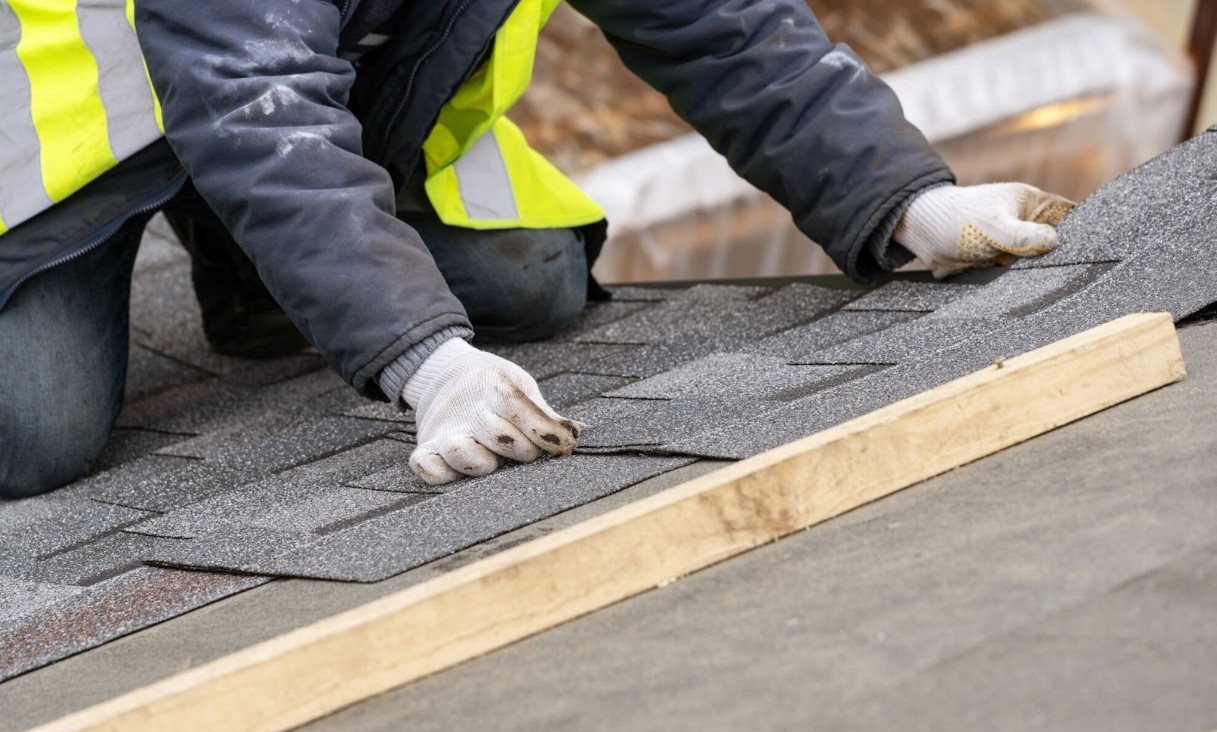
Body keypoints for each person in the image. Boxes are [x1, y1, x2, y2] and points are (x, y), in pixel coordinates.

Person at [0, 0, 1072, 498]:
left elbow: (721, 26)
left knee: (527, 283)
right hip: (75, 148)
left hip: (275, 102)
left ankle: (248, 263)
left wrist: (900, 199)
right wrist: (426, 363)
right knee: (31, 430)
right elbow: (252, 108)